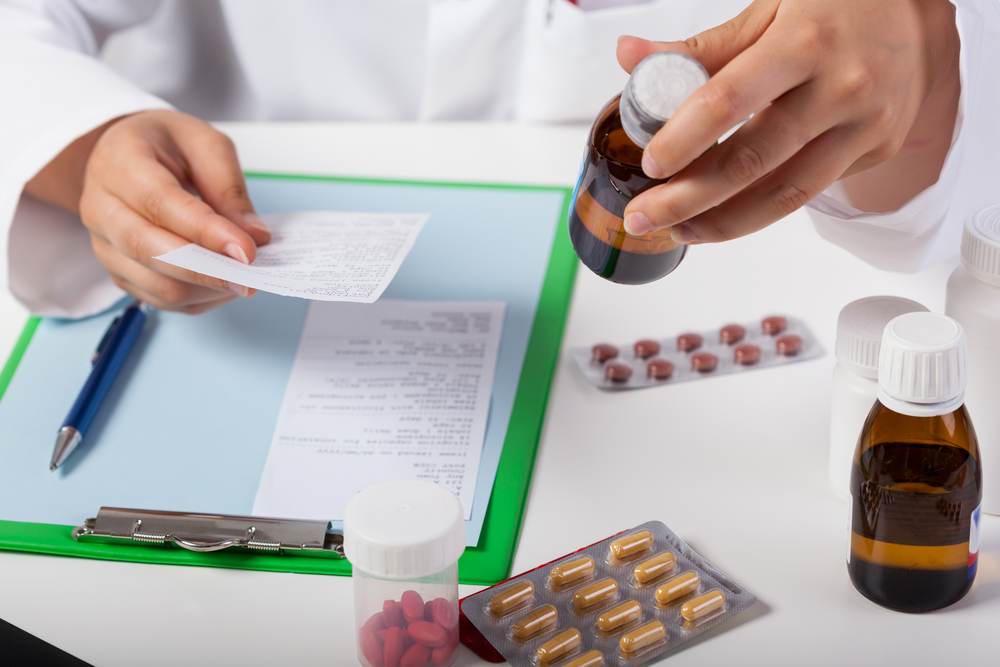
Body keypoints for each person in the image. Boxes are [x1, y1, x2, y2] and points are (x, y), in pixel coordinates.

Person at [1, 0, 996, 318]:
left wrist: (925, 66)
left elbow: (943, 211)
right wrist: (86, 145)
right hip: (256, 275)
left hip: (714, 336)